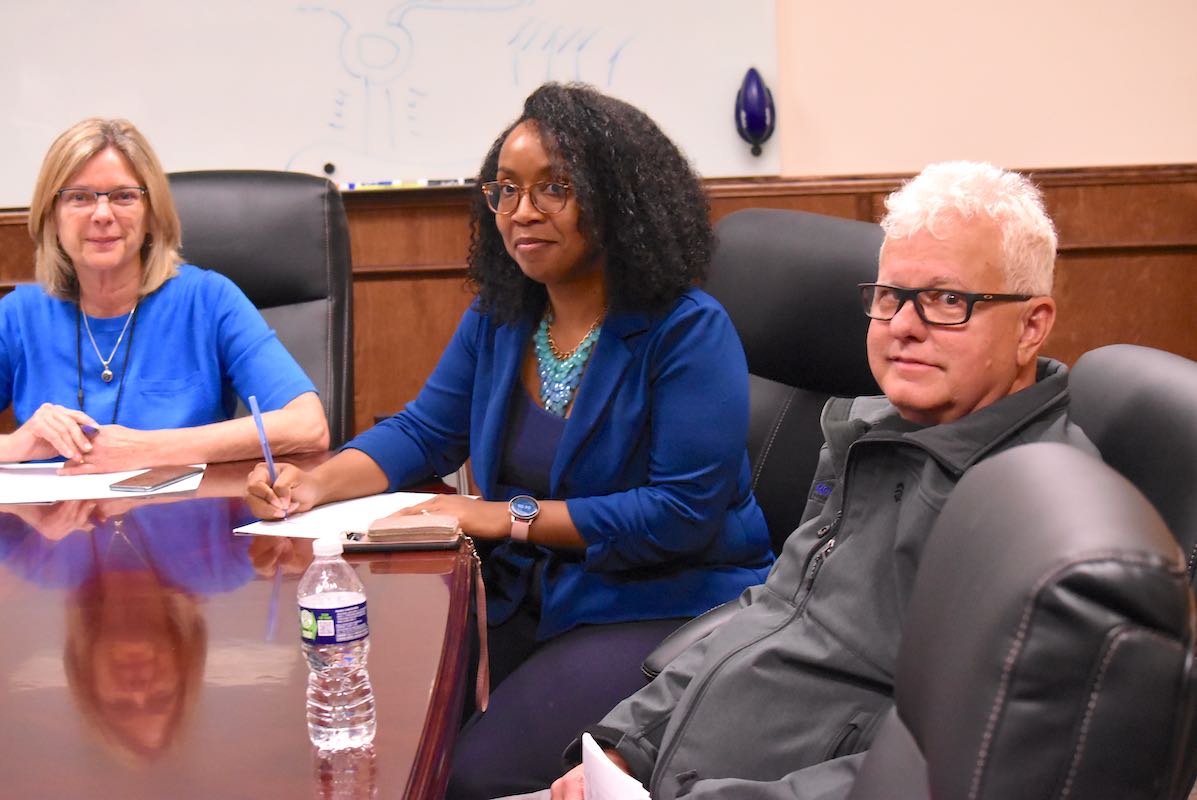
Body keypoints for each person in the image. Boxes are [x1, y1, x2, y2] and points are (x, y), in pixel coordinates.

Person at [245, 82, 774, 797]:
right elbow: (426, 431)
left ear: (617, 200)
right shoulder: (503, 317)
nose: (522, 212)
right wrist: (314, 483)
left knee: (471, 774)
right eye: (505, 190)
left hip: (666, 601)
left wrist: (503, 517)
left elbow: (679, 514)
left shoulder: (685, 329)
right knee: (392, 733)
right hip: (532, 594)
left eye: (554, 188)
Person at [547, 161, 1097, 800]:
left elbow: (941, 769)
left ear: (1032, 326)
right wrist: (624, 746)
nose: (905, 326)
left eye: (949, 300)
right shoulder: (877, 433)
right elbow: (772, 609)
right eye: (891, 296)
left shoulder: (1027, 511)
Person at [0, 117, 328, 472]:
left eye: (124, 196)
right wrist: (17, 444)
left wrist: (145, 449)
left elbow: (308, 426)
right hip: (55, 524)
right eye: (79, 197)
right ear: (51, 216)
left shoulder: (206, 300)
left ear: (152, 214)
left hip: (185, 519)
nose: (102, 214)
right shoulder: (20, 315)